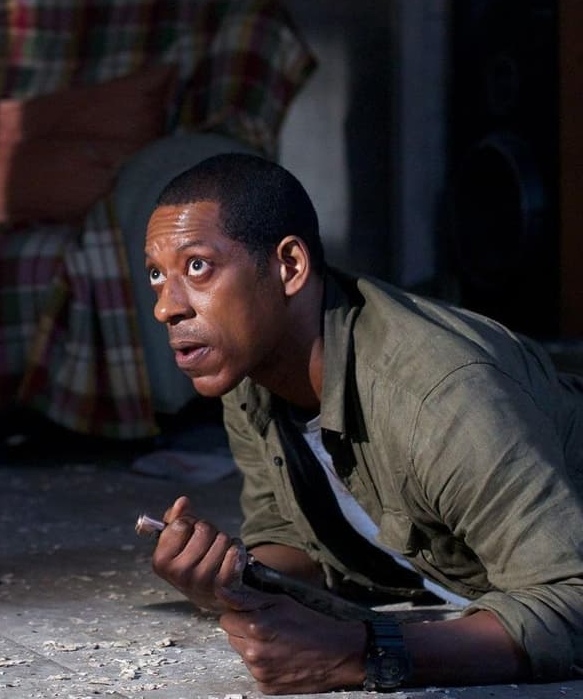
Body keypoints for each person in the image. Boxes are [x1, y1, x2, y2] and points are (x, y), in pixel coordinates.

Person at [141, 153, 583, 693]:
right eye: (157, 275)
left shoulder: (440, 397)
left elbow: (572, 602)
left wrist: (361, 654)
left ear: (289, 267)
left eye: (197, 267)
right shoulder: (249, 371)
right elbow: (293, 538)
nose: (166, 308)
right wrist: (231, 576)